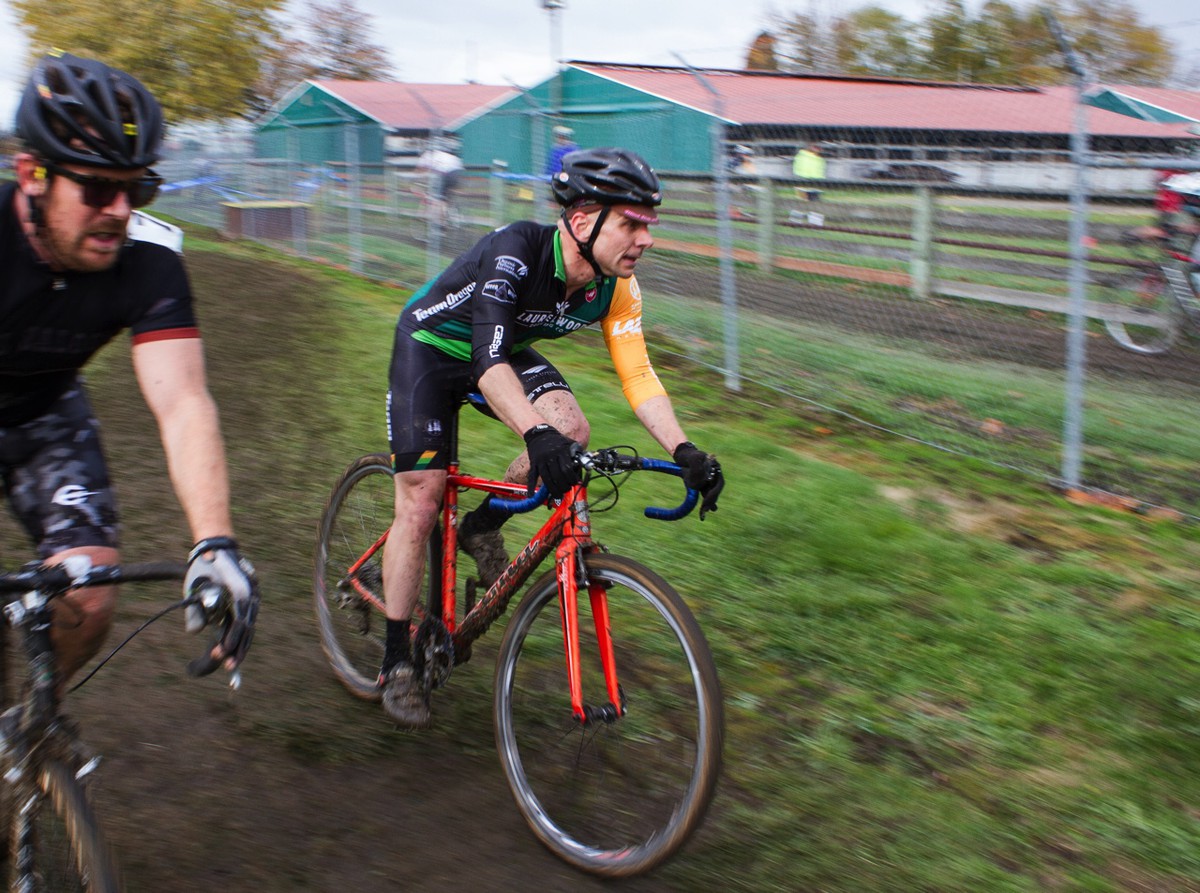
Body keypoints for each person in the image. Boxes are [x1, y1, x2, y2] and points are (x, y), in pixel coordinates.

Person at [379, 147, 725, 727]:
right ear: (585, 219)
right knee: (421, 498)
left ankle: (482, 526)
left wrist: (685, 450)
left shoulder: (617, 288)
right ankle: (396, 662)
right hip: (434, 351)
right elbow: (487, 364)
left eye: (648, 226)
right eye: (631, 224)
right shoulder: (516, 250)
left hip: (500, 354)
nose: (644, 239)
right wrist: (533, 433)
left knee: (572, 432)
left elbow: (638, 375)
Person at [1, 51, 259, 687]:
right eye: (95, 189)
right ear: (32, 173)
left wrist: (214, 542)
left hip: (46, 413)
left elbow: (184, 404)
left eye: (137, 189)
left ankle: (28, 728)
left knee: (88, 595)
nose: (120, 210)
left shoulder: (149, 268)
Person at [415, 137, 465, 227]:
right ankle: (453, 214)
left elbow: (419, 170)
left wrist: (417, 182)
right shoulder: (445, 154)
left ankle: (441, 223)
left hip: (446, 174)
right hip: (457, 172)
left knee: (438, 199)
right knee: (448, 195)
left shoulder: (427, 155)